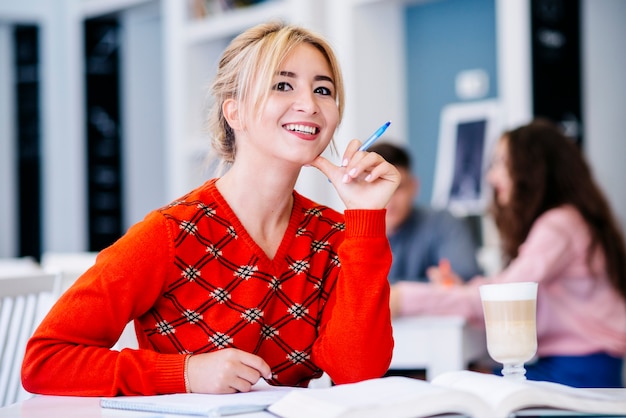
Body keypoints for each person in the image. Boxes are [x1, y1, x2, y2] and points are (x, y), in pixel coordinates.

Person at [22, 22, 400, 396]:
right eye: (282, 85)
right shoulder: (170, 233)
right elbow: (45, 361)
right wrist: (185, 373)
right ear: (233, 113)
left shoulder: (335, 234)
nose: (310, 104)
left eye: (323, 90)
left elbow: (357, 373)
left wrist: (365, 218)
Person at [389, 118, 626, 388]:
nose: (491, 176)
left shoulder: (558, 226)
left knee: (450, 386)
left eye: (500, 162)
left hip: (579, 370)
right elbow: (505, 287)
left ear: (532, 168)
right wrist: (461, 289)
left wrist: (403, 299)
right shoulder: (569, 221)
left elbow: (504, 295)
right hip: (583, 362)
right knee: (453, 382)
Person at [368, 142, 481, 284]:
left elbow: (462, 281)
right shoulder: (349, 237)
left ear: (414, 187)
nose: (389, 198)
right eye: (378, 187)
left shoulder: (443, 224)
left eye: (398, 187)